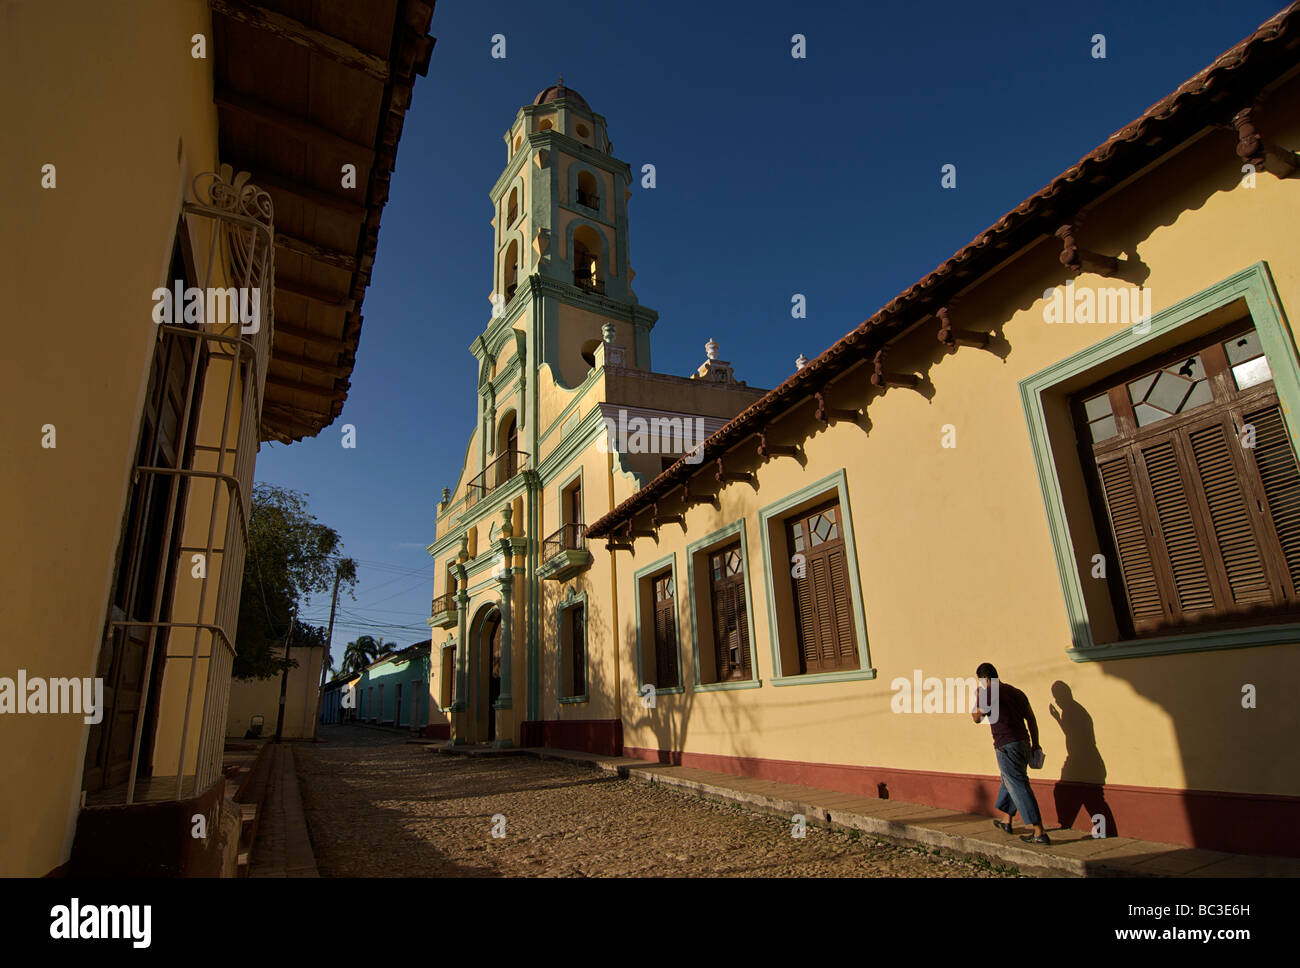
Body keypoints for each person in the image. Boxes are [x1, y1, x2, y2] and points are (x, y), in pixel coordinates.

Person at [971, 662, 1050, 845]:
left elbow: (976, 718)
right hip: (1023, 742)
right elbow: (1031, 718)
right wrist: (1035, 743)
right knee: (1010, 780)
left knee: (1018, 784)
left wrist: (978, 697)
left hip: (1005, 744)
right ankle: (1007, 821)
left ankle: (1039, 831)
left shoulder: (989, 693)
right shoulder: (1016, 692)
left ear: (985, 678)